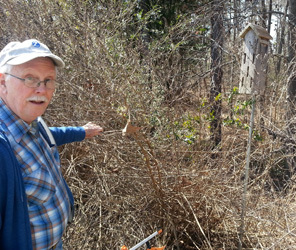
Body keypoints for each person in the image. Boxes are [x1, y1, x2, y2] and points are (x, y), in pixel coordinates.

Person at [0, 39, 103, 250]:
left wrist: (82, 132)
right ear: (2, 82)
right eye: (30, 78)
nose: (42, 89)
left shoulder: (32, 121)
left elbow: (48, 136)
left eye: (48, 80)